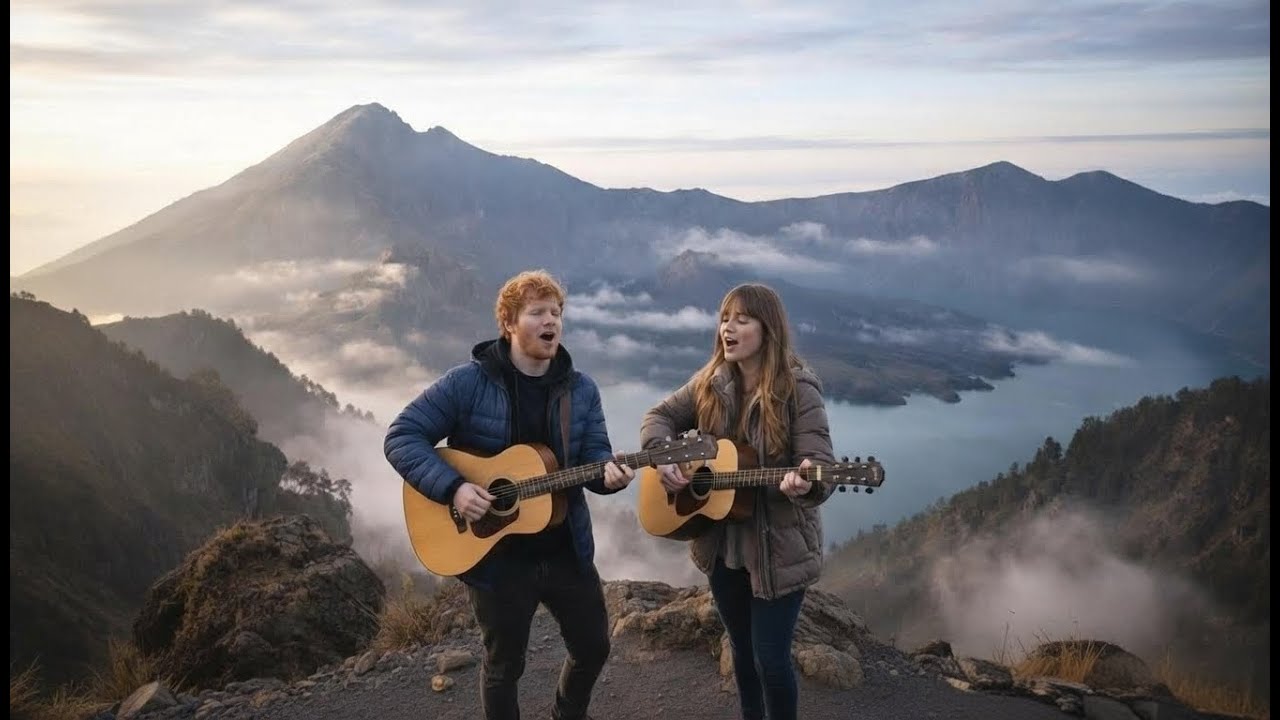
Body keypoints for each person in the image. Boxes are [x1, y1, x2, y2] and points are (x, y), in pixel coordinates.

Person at [384, 269, 634, 720]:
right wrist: (454, 489)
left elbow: (595, 457)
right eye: (537, 312)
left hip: (564, 547)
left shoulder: (581, 390)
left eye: (556, 312)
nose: (550, 320)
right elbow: (402, 436)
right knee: (504, 667)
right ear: (508, 323)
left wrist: (610, 476)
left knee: (593, 647)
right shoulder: (467, 383)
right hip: (495, 555)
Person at [640, 283, 835, 720]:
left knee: (771, 660)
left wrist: (807, 483)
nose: (727, 328)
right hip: (722, 546)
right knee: (742, 655)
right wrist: (662, 455)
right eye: (725, 319)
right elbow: (659, 416)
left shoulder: (799, 389)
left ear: (768, 329)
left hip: (778, 550)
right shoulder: (712, 381)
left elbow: (820, 463)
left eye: (742, 320)